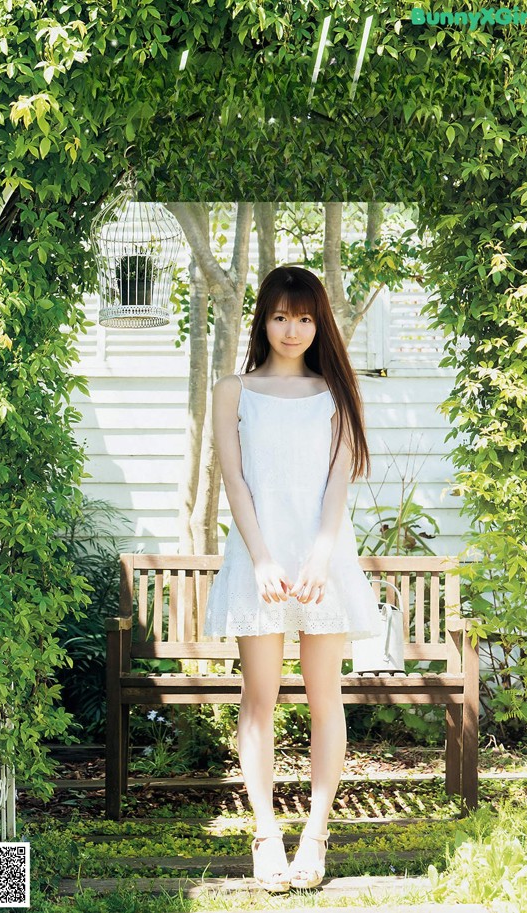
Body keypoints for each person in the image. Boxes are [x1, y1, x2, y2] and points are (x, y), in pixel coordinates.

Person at [203, 265, 383, 891]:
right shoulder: (233, 391)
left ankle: (315, 835)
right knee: (260, 698)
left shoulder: (334, 392)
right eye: (280, 316)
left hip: (321, 562)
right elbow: (236, 482)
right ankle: (265, 835)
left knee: (324, 696)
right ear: (263, 319)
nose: (292, 329)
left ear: (319, 323)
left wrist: (318, 558)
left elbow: (338, 485)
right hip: (259, 559)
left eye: (304, 317)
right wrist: (262, 559)